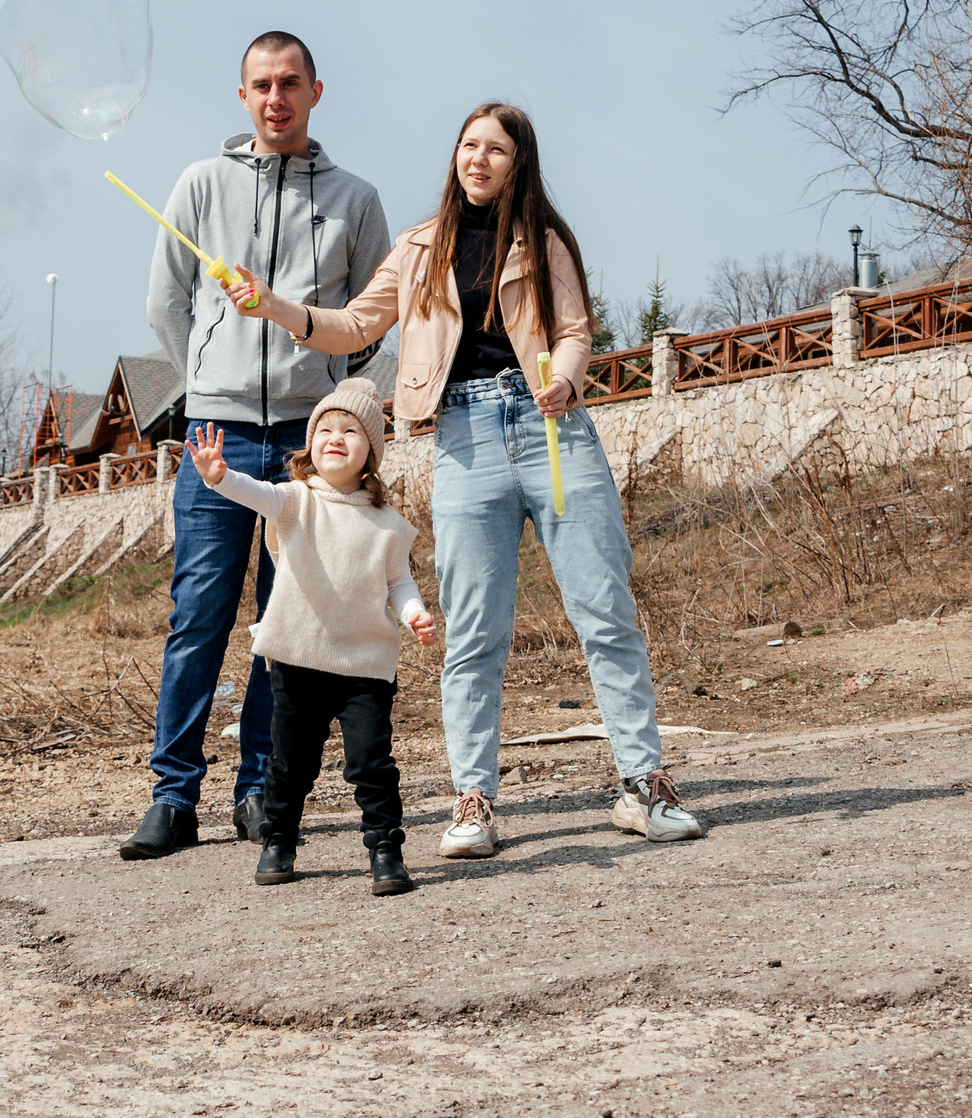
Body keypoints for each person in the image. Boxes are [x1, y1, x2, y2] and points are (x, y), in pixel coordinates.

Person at [217, 101, 707, 859]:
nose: (477, 160)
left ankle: (644, 784)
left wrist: (568, 383)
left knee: (603, 610)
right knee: (475, 630)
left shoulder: (545, 241)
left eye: (496, 150)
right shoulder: (419, 248)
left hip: (552, 431)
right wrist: (274, 306)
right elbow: (353, 326)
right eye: (468, 146)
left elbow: (576, 332)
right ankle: (474, 800)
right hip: (465, 436)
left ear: (520, 164)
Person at [121, 31, 394, 861]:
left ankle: (257, 793)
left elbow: (375, 317)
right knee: (198, 612)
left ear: (316, 91)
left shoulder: (356, 197)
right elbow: (166, 304)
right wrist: (209, 374)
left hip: (310, 445)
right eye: (260, 85)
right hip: (218, 428)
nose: (275, 97)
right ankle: (173, 797)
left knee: (287, 620)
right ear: (242, 97)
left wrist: (332, 390)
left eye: (290, 83)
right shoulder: (200, 185)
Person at [187, 377, 434, 896]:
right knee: (290, 762)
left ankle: (386, 850)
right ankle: (278, 840)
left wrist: (413, 614)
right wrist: (219, 477)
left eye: (350, 430)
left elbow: (397, 581)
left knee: (371, 762)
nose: (335, 437)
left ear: (371, 452)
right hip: (300, 658)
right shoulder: (296, 501)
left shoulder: (387, 523)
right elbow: (254, 494)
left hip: (366, 664)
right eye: (325, 428)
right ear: (310, 444)